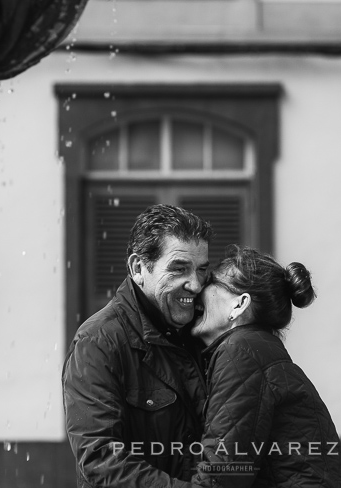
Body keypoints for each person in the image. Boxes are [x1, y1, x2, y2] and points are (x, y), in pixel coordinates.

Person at [63, 204, 213, 488]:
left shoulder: (204, 330)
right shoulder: (98, 342)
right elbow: (100, 458)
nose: (195, 285)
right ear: (138, 268)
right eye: (179, 269)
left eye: (202, 270)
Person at [190, 246, 341, 488]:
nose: (198, 289)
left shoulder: (241, 351)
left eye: (211, 281)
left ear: (239, 305)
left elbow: (222, 475)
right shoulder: (258, 350)